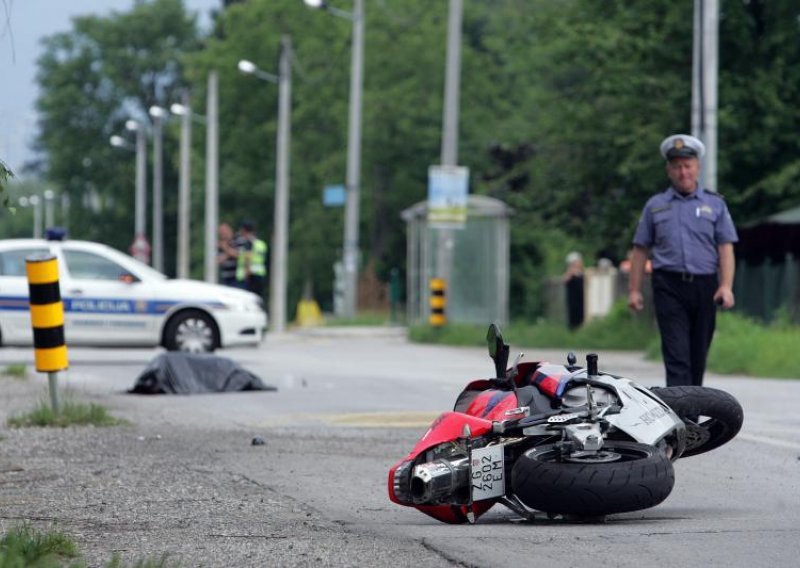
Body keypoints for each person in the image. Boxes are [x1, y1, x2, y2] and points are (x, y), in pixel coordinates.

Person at [628, 134, 738, 387]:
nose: (683, 172)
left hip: (705, 286)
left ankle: (693, 418)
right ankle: (680, 417)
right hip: (669, 285)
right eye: (677, 166)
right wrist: (634, 290)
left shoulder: (715, 204)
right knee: (677, 356)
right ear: (669, 170)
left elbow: (725, 247)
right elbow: (640, 250)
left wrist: (726, 286)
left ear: (697, 167)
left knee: (698, 356)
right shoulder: (655, 206)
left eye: (687, 165)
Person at [235, 219, 268, 298]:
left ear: (243, 230)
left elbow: (248, 257)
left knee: (247, 299)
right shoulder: (261, 244)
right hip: (260, 275)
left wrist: (247, 274)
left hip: (250, 276)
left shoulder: (248, 242)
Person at [562, 251, 585, 330]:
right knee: (574, 317)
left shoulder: (581, 273)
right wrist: (571, 270)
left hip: (582, 299)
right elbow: (565, 280)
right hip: (573, 300)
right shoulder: (570, 273)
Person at [217, 223, 244, 288]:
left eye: (223, 232)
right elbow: (219, 260)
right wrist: (230, 253)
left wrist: (225, 248)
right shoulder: (220, 244)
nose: (222, 234)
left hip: (238, 277)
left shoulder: (238, 240)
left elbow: (239, 255)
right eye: (221, 233)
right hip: (226, 277)